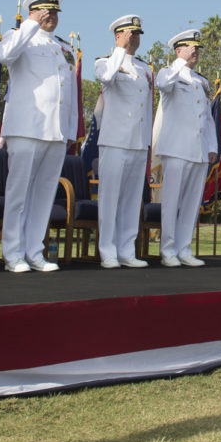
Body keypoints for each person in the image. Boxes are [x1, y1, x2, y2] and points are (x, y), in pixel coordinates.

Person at [0, 0, 77, 273]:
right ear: (32, 11)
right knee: (18, 193)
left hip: (55, 130)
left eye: (54, 12)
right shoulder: (18, 37)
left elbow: (71, 91)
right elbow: (4, 56)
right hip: (26, 127)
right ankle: (13, 253)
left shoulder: (64, 48)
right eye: (44, 11)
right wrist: (29, 25)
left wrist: (70, 129)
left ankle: (34, 250)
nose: (50, 16)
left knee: (44, 194)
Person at [154, 29, 218, 267]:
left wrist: (212, 145)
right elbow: (163, 84)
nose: (195, 51)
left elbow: (207, 118)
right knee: (172, 201)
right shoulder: (168, 73)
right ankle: (168, 250)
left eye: (197, 48)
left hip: (199, 148)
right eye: (190, 48)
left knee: (192, 202)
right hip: (176, 148)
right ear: (178, 50)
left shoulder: (202, 81)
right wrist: (180, 63)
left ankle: (184, 248)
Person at [94, 15, 153, 269]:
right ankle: (107, 250)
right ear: (117, 35)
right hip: (115, 140)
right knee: (110, 198)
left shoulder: (145, 68)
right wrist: (119, 49)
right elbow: (107, 78)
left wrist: (147, 140)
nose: (135, 38)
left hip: (138, 141)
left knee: (131, 199)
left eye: (138, 34)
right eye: (130, 33)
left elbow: (147, 108)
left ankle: (127, 249)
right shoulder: (104, 62)